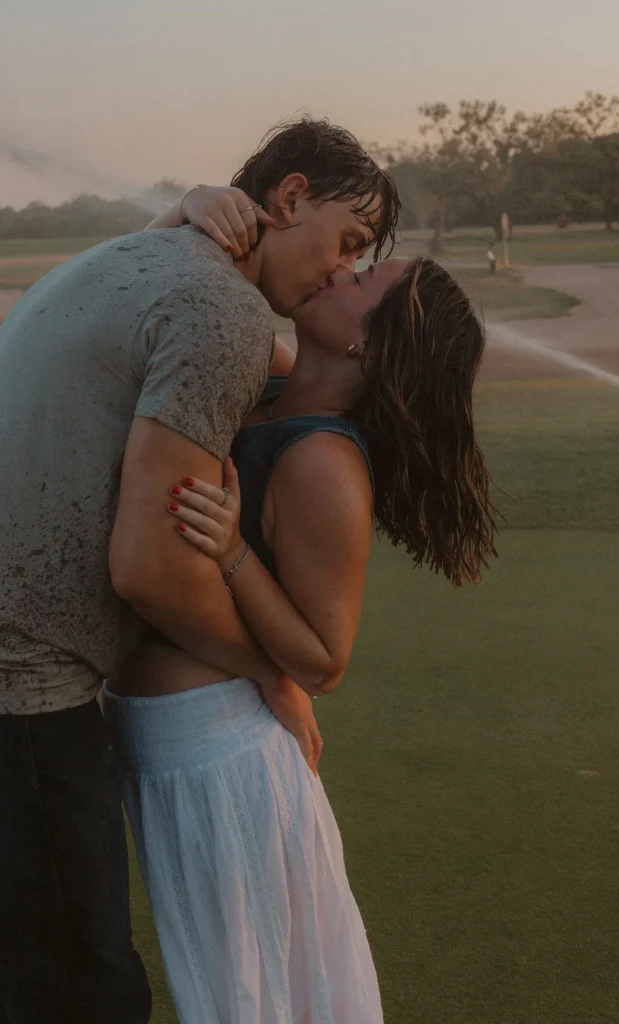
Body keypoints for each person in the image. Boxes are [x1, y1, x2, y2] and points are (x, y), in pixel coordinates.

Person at [0, 118, 399, 1024]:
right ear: (289, 198)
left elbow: (296, 376)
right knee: (79, 992)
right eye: (345, 242)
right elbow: (145, 567)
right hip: (23, 693)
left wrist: (186, 210)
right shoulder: (221, 308)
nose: (341, 271)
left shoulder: (143, 260)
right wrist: (270, 677)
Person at [101, 192, 499, 1021]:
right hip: (181, 744)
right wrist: (185, 207)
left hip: (219, 754)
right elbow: (135, 286)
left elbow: (323, 661)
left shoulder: (323, 464)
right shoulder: (277, 387)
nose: (341, 270)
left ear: (366, 340)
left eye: (364, 278)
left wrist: (235, 555)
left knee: (248, 998)